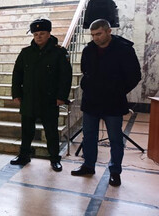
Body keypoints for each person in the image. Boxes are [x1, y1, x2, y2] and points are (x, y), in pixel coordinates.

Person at [71, 19, 141, 187]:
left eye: (99, 34)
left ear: (109, 31)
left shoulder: (124, 49)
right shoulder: (89, 50)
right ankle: (88, 165)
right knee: (89, 135)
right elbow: (85, 71)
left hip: (113, 101)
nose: (96, 38)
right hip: (91, 100)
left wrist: (118, 90)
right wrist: (87, 85)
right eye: (93, 35)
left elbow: (134, 75)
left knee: (115, 138)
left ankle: (115, 171)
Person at [11, 19, 72, 172]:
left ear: (49, 34)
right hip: (29, 98)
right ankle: (24, 155)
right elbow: (17, 74)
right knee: (26, 131)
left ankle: (54, 159)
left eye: (42, 33)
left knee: (51, 132)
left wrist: (61, 97)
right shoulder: (26, 52)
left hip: (49, 99)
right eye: (35, 34)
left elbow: (65, 77)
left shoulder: (59, 52)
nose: (38, 36)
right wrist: (16, 93)